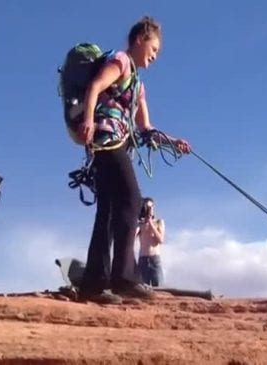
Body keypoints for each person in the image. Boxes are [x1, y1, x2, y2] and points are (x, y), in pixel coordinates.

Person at [77, 16, 191, 303]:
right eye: (154, 49)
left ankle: (94, 283)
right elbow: (94, 87)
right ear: (140, 39)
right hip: (106, 140)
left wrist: (172, 142)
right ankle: (124, 278)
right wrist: (89, 120)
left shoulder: (139, 85)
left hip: (118, 144)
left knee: (109, 211)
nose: (155, 56)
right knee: (131, 200)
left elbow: (146, 128)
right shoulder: (121, 61)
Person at [137, 197, 165, 287]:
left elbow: (160, 240)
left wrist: (151, 224)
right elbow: (131, 238)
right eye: (147, 207)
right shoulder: (140, 224)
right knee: (142, 288)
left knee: (159, 288)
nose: (150, 209)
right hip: (142, 259)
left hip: (154, 259)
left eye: (151, 207)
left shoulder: (159, 222)